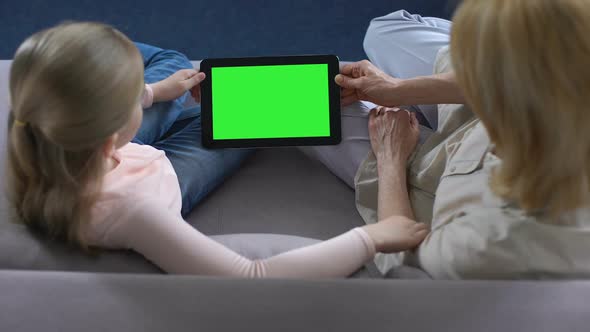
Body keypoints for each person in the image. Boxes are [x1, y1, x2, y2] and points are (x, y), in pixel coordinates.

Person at [5, 22, 429, 278]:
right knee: (243, 111)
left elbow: (107, 109)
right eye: (130, 92)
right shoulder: (135, 211)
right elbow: (253, 275)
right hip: (164, 175)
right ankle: (317, 88)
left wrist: (153, 93)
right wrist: (371, 238)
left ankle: (319, 82)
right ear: (111, 126)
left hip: (115, 155)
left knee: (183, 71)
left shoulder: (34, 125)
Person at [317, 0, 590, 279]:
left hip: (433, 174)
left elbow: (404, 260)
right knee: (384, 30)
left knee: (320, 102)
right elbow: (504, 84)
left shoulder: (492, 240)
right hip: (479, 121)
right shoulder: (567, 77)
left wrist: (390, 159)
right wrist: (398, 89)